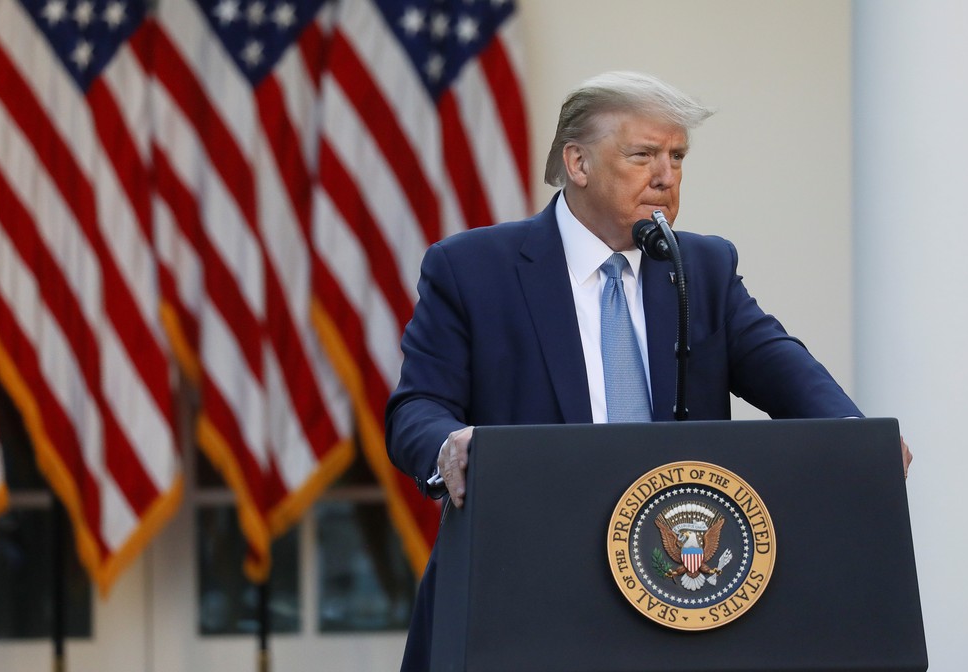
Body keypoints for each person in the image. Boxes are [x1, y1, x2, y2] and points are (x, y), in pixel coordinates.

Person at [384, 71, 911, 671]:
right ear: (577, 162)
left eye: (677, 156)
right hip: (524, 590)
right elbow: (415, 408)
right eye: (643, 155)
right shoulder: (473, 268)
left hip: (675, 598)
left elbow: (783, 367)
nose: (665, 176)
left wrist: (857, 440)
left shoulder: (702, 267)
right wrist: (447, 445)